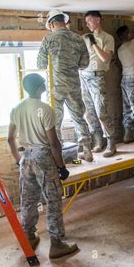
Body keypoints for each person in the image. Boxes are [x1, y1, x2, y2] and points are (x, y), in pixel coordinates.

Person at [8, 73, 79, 259]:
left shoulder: (16, 109)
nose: (45, 85)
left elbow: (10, 139)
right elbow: (54, 143)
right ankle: (56, 244)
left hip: (26, 158)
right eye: (43, 83)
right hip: (43, 158)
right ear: (40, 87)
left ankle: (29, 237)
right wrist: (61, 167)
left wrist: (18, 160)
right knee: (53, 200)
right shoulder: (46, 109)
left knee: (29, 200)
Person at [37, 9, 93, 162]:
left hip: (55, 87)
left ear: (53, 23)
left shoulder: (48, 40)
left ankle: (58, 156)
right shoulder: (78, 39)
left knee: (55, 121)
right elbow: (84, 64)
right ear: (64, 21)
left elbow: (41, 64)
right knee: (79, 117)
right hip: (73, 85)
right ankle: (87, 151)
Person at [80, 10, 116, 157]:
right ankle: (98, 141)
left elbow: (105, 58)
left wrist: (93, 42)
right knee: (88, 112)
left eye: (90, 21)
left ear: (98, 20)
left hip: (97, 76)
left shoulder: (107, 38)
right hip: (83, 76)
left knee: (101, 111)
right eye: (86, 22)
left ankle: (111, 143)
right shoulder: (83, 38)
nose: (88, 24)